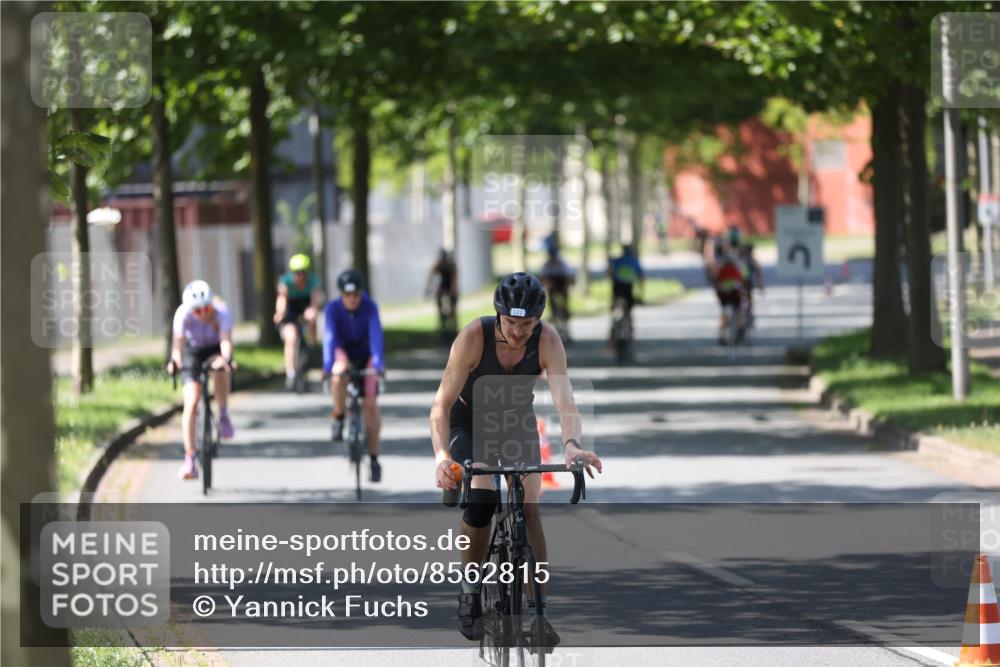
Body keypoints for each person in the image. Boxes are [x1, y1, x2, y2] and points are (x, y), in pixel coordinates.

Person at [429, 272, 603, 645]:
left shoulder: (549, 341)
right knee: (481, 499)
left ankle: (539, 614)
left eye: (527, 324)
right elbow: (440, 407)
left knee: (529, 508)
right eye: (510, 322)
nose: (518, 331)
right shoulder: (473, 338)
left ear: (538, 319)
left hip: (514, 423)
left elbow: (565, 403)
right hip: (469, 422)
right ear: (498, 314)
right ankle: (470, 592)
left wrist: (571, 444)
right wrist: (443, 457)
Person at [166, 280, 237, 480]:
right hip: (193, 351)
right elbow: (178, 345)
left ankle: (223, 414)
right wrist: (176, 361)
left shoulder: (221, 313)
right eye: (198, 311)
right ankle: (190, 458)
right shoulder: (182, 315)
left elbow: (225, 340)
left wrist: (226, 359)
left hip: (215, 347)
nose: (203, 314)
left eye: (206, 308)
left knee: (221, 371)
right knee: (191, 401)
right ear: (190, 310)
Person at [323, 269, 386, 482]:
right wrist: (327, 365)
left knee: (370, 404)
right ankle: (339, 416)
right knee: (338, 372)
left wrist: (378, 364)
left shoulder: (370, 308)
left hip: (366, 355)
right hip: (344, 354)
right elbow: (330, 338)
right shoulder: (332, 309)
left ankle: (375, 459)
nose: (352, 299)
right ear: (341, 294)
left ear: (361, 293)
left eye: (355, 295)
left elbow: (376, 336)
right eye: (347, 295)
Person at [274, 253, 324, 390]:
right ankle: (290, 373)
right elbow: (282, 300)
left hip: (306, 305)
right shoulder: (286, 281)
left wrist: (312, 311)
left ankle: (312, 346)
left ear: (307, 273)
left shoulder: (313, 281)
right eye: (296, 273)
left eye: (302, 273)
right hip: (292, 307)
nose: (299, 276)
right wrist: (279, 313)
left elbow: (314, 301)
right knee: (291, 337)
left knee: (312, 320)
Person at [703, 240, 748, 344]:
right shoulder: (738, 268)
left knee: (724, 311)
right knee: (742, 307)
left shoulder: (721, 269)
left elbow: (716, 282)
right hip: (735, 293)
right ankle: (740, 328)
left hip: (724, 294)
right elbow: (743, 281)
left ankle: (722, 334)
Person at [538, 237, 575, 337]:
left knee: (565, 300)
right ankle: (553, 312)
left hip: (561, 284)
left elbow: (569, 277)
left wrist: (569, 283)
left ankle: (566, 314)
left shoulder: (562, 264)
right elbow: (542, 278)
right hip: (553, 285)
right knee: (550, 294)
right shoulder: (546, 265)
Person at [607, 243, 644, 341]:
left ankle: (611, 336)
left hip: (617, 287)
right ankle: (631, 338)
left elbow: (609, 274)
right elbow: (641, 276)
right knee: (629, 314)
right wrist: (641, 293)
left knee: (615, 309)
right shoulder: (634, 261)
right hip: (628, 287)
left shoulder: (617, 260)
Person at [425, 248, 458, 332]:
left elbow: (454, 278)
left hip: (450, 283)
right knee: (438, 296)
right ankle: (441, 318)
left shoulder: (451, 264)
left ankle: (453, 322)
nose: (443, 262)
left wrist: (453, 289)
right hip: (443, 283)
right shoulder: (437, 264)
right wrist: (428, 288)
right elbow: (431, 276)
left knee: (453, 306)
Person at [738, 242, 765, 328]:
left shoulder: (740, 258)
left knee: (745, 302)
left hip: (742, 284)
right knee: (746, 302)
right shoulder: (749, 260)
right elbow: (758, 272)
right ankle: (746, 317)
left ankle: (746, 318)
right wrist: (760, 285)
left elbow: (758, 272)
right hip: (744, 284)